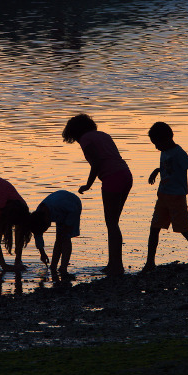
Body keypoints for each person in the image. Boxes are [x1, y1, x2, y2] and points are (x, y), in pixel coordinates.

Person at [62, 114, 132, 276]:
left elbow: (97, 163)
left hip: (112, 178)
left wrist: (88, 185)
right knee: (113, 223)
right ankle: (112, 263)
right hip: (125, 174)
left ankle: (117, 266)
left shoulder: (86, 140)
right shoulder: (103, 135)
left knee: (112, 224)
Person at [143, 122, 188, 272]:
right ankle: (150, 263)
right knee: (154, 228)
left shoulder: (179, 152)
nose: (156, 147)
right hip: (163, 196)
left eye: (156, 143)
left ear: (166, 139)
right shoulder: (165, 151)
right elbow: (169, 167)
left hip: (177, 198)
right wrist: (157, 170)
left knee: (185, 230)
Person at [29, 190, 82, 278]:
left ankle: (63, 267)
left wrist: (68, 225)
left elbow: (73, 210)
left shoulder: (57, 204)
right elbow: (37, 233)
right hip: (61, 211)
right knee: (58, 238)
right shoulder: (38, 216)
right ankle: (53, 266)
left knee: (65, 237)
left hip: (73, 206)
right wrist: (42, 253)